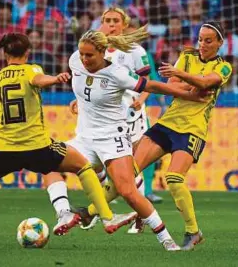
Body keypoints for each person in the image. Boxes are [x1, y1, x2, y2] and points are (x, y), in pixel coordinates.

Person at [0, 33, 138, 250]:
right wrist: (55, 79)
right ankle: (107, 217)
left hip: (3, 148)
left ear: (5, 54)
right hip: (36, 147)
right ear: (27, 53)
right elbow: (38, 80)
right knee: (82, 166)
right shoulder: (32, 69)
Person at [46, 24, 209, 250]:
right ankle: (65, 213)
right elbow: (85, 88)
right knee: (47, 161)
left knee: (128, 191)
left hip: (113, 140)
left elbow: (152, 85)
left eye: (89, 55)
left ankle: (167, 241)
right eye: (82, 53)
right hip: (83, 139)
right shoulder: (74, 60)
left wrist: (186, 95)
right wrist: (79, 100)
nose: (84, 58)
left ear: (102, 53)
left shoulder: (117, 73)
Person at [133, 21, 232, 251]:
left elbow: (206, 82)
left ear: (219, 43)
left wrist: (181, 75)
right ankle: (92, 213)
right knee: (128, 171)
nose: (202, 44)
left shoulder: (224, 67)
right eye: (200, 39)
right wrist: (192, 88)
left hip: (193, 129)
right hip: (168, 123)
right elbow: (172, 87)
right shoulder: (187, 56)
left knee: (174, 178)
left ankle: (193, 231)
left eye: (208, 41)